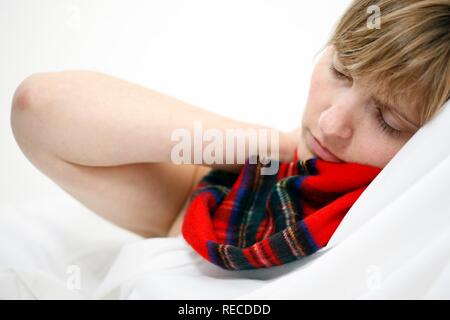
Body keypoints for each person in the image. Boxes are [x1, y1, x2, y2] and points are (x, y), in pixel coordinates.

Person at [10, 0, 450, 241]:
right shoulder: (230, 197)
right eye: (339, 71)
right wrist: (276, 147)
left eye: (389, 120)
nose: (332, 123)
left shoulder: (413, 239)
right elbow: (40, 107)